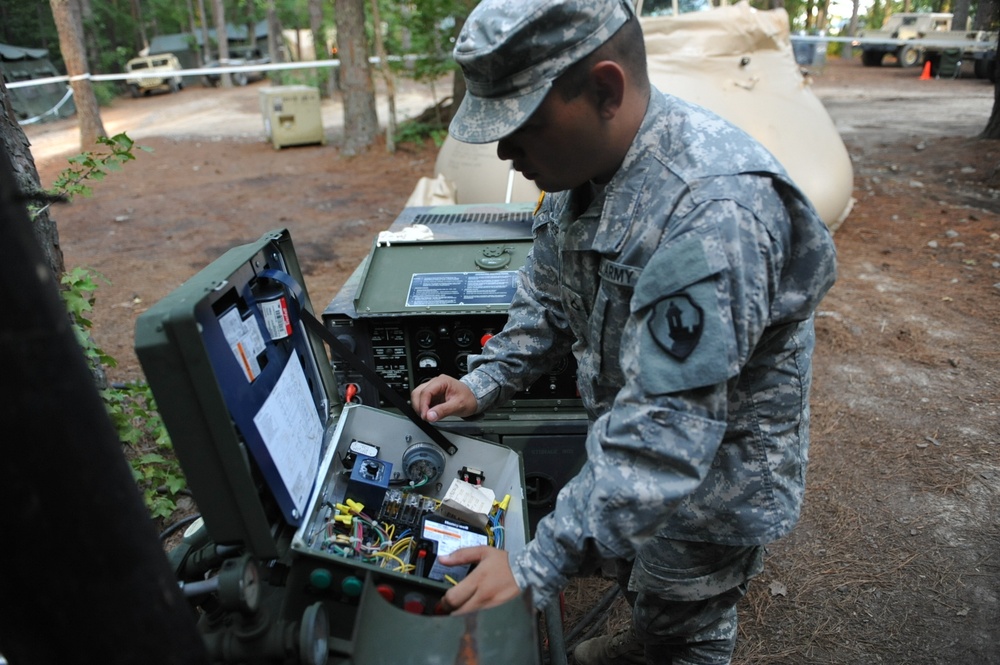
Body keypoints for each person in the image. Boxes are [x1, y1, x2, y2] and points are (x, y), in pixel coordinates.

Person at [410, 0, 838, 663]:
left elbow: (666, 434)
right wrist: (484, 381)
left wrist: (534, 566)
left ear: (605, 90)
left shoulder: (714, 210)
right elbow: (550, 296)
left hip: (708, 486)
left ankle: (666, 643)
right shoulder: (576, 171)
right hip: (634, 454)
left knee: (685, 615)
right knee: (641, 577)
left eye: (522, 122)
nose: (503, 150)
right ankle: (647, 636)